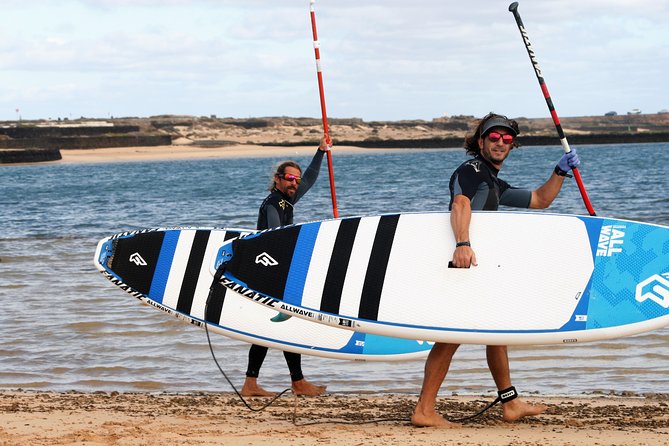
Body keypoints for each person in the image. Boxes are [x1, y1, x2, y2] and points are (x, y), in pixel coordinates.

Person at [411, 112, 580, 428]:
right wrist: (462, 243)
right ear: (480, 141)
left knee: (495, 330)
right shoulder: (471, 169)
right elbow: (460, 203)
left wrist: (560, 172)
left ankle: (511, 402)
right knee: (449, 336)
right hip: (462, 262)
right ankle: (424, 411)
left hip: (473, 265)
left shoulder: (495, 183)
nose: (500, 142)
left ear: (512, 145)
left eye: (506, 139)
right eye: (493, 137)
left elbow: (540, 200)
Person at [240, 135, 331, 397]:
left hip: (272, 270)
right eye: (289, 178)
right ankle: (295, 383)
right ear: (278, 179)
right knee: (286, 323)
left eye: (296, 180)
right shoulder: (273, 203)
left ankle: (255, 383)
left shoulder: (285, 200)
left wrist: (320, 152)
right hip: (270, 272)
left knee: (272, 326)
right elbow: (273, 236)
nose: (295, 183)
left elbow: (311, 179)